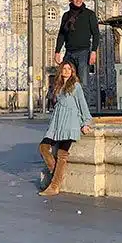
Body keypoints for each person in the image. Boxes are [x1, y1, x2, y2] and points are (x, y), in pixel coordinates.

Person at [38, 61, 93, 196]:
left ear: (72, 71)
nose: (67, 71)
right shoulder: (57, 86)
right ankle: (55, 171)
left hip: (70, 122)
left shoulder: (76, 86)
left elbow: (82, 105)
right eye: (64, 68)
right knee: (43, 147)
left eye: (69, 69)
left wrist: (86, 123)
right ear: (61, 71)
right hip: (57, 123)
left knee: (62, 154)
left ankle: (54, 186)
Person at [54, 0, 101, 88]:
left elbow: (96, 34)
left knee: (83, 84)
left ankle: (84, 104)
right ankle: (68, 103)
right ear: (71, 0)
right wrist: (57, 51)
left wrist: (93, 51)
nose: (78, 0)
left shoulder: (89, 14)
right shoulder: (66, 16)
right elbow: (61, 34)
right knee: (66, 81)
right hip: (69, 53)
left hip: (83, 53)